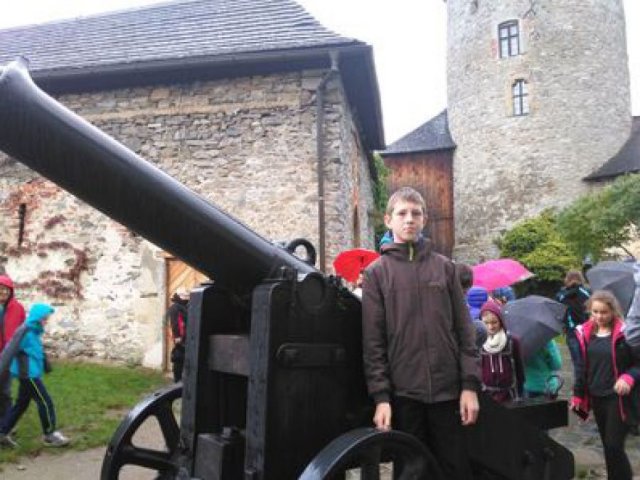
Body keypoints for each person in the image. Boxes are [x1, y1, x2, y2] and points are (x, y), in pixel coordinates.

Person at [362, 187, 480, 479]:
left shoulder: (445, 268)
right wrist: (381, 398)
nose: (409, 219)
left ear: (424, 219)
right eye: (402, 213)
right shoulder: (377, 274)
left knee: (455, 470)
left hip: (448, 392)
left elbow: (465, 330)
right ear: (388, 220)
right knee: (412, 473)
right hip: (405, 395)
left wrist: (469, 386)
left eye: (416, 213)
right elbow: (373, 342)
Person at [571, 290, 640, 480]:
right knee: (608, 448)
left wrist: (629, 377)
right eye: (595, 312)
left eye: (604, 312)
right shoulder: (584, 334)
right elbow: (581, 368)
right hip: (596, 397)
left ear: (613, 311)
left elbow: (638, 364)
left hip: (618, 399)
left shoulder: (626, 334)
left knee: (614, 445)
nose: (599, 317)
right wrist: (578, 395)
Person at [0, 303, 69, 448]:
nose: (46, 321)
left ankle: (2, 433)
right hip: (28, 375)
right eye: (44, 318)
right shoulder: (24, 330)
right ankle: (50, 435)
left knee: (21, 405)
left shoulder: (35, 330)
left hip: (31, 373)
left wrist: (46, 364)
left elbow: (36, 350)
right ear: (37, 317)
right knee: (45, 401)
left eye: (47, 319)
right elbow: (10, 349)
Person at [480, 300, 525, 403]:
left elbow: (519, 369)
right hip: (487, 395)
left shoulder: (512, 341)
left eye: (494, 322)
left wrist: (520, 392)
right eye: (486, 323)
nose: (490, 327)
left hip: (509, 395)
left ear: (500, 321)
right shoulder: (479, 342)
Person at [556, 270, 591, 380]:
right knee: (589, 359)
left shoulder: (561, 295)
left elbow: (558, 312)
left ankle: (579, 384)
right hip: (587, 329)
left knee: (577, 361)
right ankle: (589, 382)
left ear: (567, 279)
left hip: (571, 330)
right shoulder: (587, 292)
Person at [0, 274, 26, 419]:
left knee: (5, 390)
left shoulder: (17, 308)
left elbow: (23, 329)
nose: (3, 292)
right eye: (0, 289)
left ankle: (6, 420)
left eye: (6, 289)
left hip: (9, 354)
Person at [167, 287, 189, 382]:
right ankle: (177, 379)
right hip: (181, 338)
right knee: (178, 357)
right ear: (180, 296)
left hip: (187, 337)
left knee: (184, 358)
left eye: (188, 295)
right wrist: (177, 336)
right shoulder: (175, 307)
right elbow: (176, 323)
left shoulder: (185, 305)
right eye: (185, 295)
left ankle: (183, 379)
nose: (187, 297)